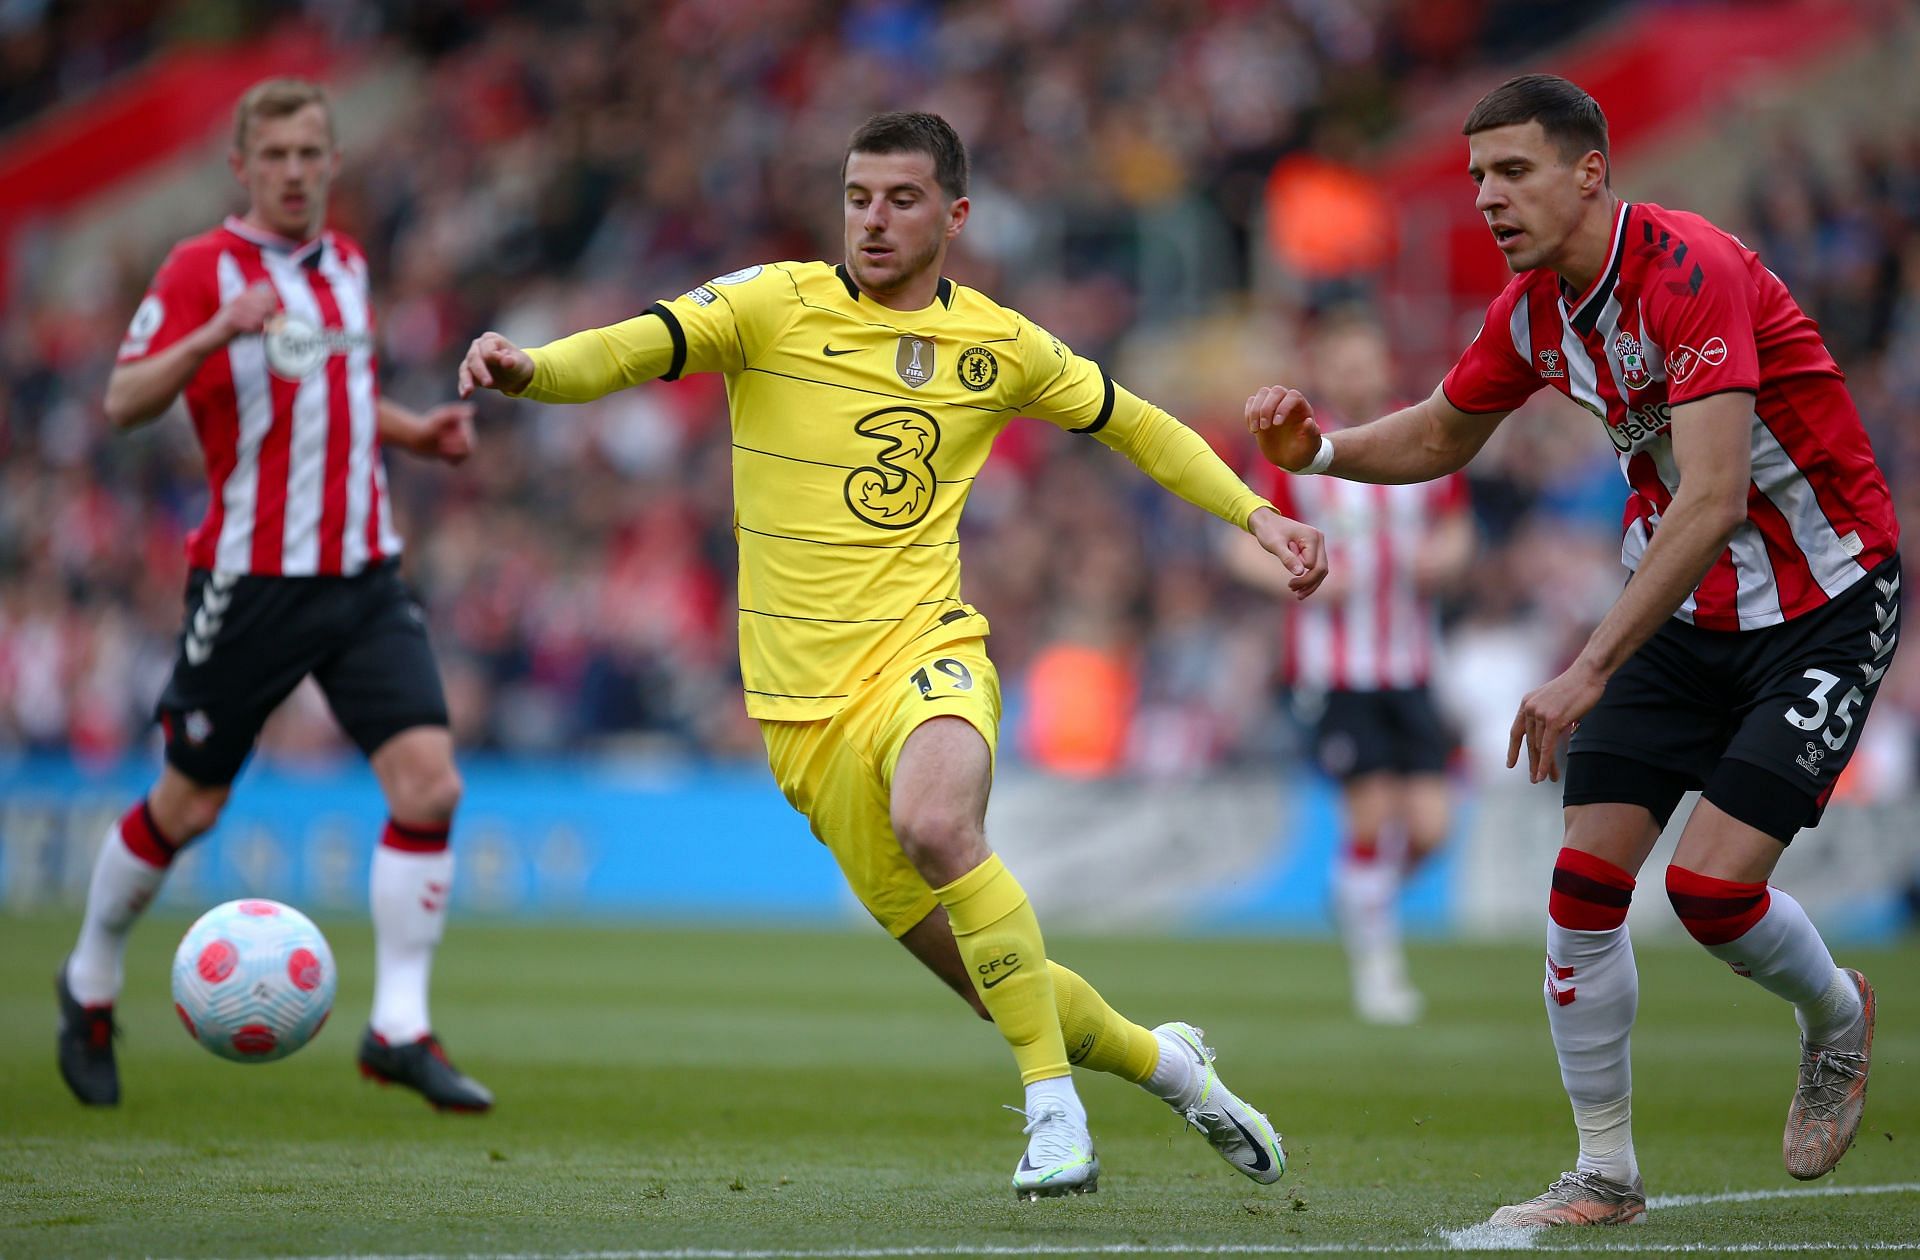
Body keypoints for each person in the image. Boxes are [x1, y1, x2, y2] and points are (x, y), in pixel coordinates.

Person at [460, 111, 1322, 1199]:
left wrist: (1256, 516)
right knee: (995, 981)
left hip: (927, 653)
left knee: (937, 821)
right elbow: (633, 345)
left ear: (954, 215)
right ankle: (1174, 1068)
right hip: (799, 719)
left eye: (902, 198)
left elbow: (1140, 426)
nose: (874, 218)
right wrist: (530, 367)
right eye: (860, 196)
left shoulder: (998, 345)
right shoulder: (771, 305)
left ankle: (1053, 1117)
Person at [1248, 74, 1894, 1226]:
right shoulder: (1535, 312)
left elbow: (1712, 497)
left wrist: (1589, 664)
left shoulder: (1688, 272)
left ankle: (1838, 1020)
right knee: (1584, 892)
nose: (1488, 199)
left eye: (1512, 172)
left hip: (1823, 603)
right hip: (1686, 610)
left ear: (1590, 171)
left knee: (1708, 891)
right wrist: (1325, 450)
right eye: (1475, 179)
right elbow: (1447, 429)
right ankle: (1604, 1173)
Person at [56, 78, 493, 1113]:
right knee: (190, 801)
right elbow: (122, 401)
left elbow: (332, 391)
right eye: (278, 155)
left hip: (365, 574)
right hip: (253, 582)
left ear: (333, 163)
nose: (297, 171)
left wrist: (411, 431)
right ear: (242, 168)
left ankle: (398, 1027)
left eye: (312, 153)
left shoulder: (345, 263)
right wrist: (212, 336)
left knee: (430, 786)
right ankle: (89, 983)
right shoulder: (201, 268)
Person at [1228, 312, 1473, 1025]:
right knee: (1372, 815)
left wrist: (1446, 559)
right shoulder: (1290, 451)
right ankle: (1380, 973)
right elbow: (1239, 545)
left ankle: (1358, 898)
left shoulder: (1419, 437)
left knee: (1430, 828)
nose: (1358, 374)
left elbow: (1458, 529)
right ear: (1325, 368)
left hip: (1414, 663)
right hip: (1336, 671)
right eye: (1344, 362)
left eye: (1368, 360)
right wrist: (1294, 578)